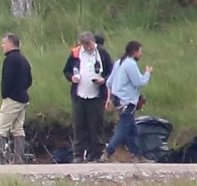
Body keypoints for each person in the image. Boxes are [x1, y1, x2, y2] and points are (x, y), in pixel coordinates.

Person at [63, 31, 111, 163]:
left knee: (96, 125)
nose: (88, 48)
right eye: (85, 45)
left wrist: (104, 80)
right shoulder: (75, 53)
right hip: (79, 95)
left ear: (93, 42)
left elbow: (111, 72)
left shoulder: (102, 53)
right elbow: (66, 70)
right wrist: (72, 77)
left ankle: (96, 153)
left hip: (96, 96)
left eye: (89, 44)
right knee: (79, 125)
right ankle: (78, 154)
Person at [102, 40, 153, 162]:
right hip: (127, 101)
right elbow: (139, 82)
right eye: (140, 51)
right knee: (124, 127)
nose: (141, 54)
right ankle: (108, 152)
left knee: (132, 129)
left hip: (118, 99)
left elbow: (109, 82)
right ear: (134, 52)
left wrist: (108, 99)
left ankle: (136, 155)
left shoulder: (119, 63)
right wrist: (147, 73)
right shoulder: (130, 64)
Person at [0, 33, 33, 164]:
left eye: (4, 43)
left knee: (1, 128)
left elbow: (7, 80)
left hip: (12, 98)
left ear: (11, 43)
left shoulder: (10, 60)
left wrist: (4, 94)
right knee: (17, 128)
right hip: (23, 98)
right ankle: (19, 158)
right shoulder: (23, 59)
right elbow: (29, 80)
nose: (2, 46)